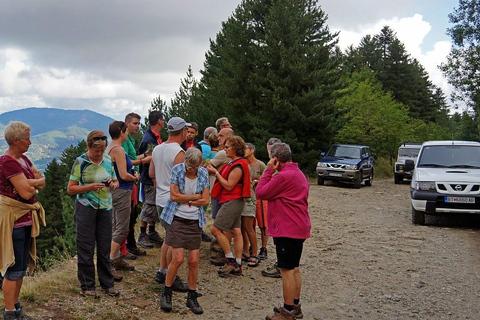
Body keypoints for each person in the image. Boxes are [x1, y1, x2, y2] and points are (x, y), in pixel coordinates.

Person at [255, 143, 311, 320]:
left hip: (287, 228)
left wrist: (268, 171)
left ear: (275, 159)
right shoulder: (297, 173)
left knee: (286, 270)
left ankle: (287, 312)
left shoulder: (283, 176)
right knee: (294, 268)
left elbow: (260, 192)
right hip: (298, 226)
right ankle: (295, 306)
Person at [0, 121, 46, 320]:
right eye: (27, 139)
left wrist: (31, 182)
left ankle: (15, 306)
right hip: (13, 222)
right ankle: (10, 312)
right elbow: (27, 193)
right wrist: (33, 183)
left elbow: (41, 182)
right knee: (13, 267)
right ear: (16, 141)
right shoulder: (7, 162)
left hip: (24, 220)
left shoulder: (24, 159)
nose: (30, 142)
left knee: (20, 266)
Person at [67, 130, 120, 298]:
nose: (99, 154)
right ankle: (87, 285)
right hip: (85, 207)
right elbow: (71, 188)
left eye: (102, 150)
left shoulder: (106, 160)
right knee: (86, 247)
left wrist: (113, 184)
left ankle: (107, 284)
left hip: (105, 207)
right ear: (88, 147)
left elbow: (115, 181)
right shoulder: (80, 161)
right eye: (96, 151)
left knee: (104, 247)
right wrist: (89, 187)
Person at [159, 148, 210, 314]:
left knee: (194, 261)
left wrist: (186, 199)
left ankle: (192, 295)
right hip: (177, 219)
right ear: (185, 162)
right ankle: (167, 291)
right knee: (178, 258)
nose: (192, 170)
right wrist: (195, 197)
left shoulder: (203, 174)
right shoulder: (177, 170)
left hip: (195, 221)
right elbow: (174, 197)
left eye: (195, 167)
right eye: (190, 166)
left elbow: (206, 200)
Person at [150, 117, 189, 292]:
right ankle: (171, 277)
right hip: (173, 200)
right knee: (176, 241)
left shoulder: (157, 149)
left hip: (160, 199)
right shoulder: (179, 152)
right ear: (182, 132)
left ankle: (162, 270)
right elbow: (182, 181)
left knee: (169, 237)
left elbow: (151, 172)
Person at [207, 136, 250, 277]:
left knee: (215, 229)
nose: (225, 149)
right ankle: (237, 264)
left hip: (233, 200)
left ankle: (230, 260)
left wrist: (216, 173)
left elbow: (229, 186)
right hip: (233, 200)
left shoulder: (238, 165)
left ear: (236, 149)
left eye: (227, 147)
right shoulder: (235, 163)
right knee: (235, 231)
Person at [106, 121, 140, 279]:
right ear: (122, 132)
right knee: (122, 226)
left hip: (114, 191)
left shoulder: (110, 147)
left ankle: (116, 257)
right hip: (122, 190)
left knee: (115, 225)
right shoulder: (118, 150)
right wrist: (135, 177)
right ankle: (110, 260)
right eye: (125, 131)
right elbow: (123, 174)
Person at [122, 112, 150, 258]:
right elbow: (126, 162)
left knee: (132, 215)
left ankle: (130, 244)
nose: (137, 126)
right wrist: (143, 161)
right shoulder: (124, 141)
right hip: (126, 182)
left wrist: (144, 156)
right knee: (127, 216)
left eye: (139, 123)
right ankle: (125, 247)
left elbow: (132, 159)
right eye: (135, 123)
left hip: (132, 181)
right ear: (127, 123)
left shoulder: (130, 140)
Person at [137, 111, 165, 248]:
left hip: (153, 176)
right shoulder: (149, 139)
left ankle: (152, 231)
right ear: (159, 121)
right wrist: (152, 176)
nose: (164, 122)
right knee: (149, 204)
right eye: (163, 119)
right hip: (149, 178)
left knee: (154, 203)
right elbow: (148, 160)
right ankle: (142, 234)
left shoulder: (155, 136)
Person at [241, 143, 267, 268]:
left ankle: (257, 252)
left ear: (252, 150)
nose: (243, 150)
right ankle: (245, 251)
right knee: (243, 227)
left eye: (245, 148)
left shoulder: (260, 164)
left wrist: (257, 181)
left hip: (255, 198)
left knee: (254, 226)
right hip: (244, 198)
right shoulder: (243, 163)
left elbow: (268, 177)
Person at [261, 137, 283, 278]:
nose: (269, 154)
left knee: (280, 236)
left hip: (278, 209)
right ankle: (281, 263)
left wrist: (267, 173)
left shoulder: (278, 172)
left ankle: (281, 266)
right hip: (275, 208)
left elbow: (262, 192)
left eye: (271, 151)